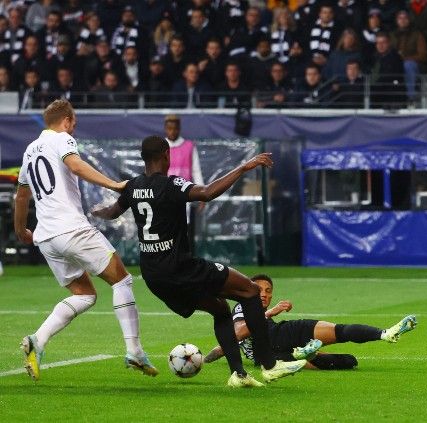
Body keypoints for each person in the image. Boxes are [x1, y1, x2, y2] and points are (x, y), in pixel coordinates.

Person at [91, 136, 307, 387]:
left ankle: (239, 375)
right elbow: (206, 193)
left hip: (154, 276)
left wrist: (88, 213)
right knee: (250, 291)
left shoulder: (132, 186)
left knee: (221, 309)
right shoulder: (171, 185)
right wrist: (242, 167)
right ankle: (270, 365)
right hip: (181, 268)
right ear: (166, 155)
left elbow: (111, 213)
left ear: (142, 157)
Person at [14, 99, 157, 381]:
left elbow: (21, 195)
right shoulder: (63, 140)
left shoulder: (29, 151)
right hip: (72, 229)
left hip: (46, 238)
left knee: (85, 294)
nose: (74, 128)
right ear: (66, 121)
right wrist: (115, 184)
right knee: (122, 280)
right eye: (74, 123)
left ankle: (37, 340)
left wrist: (21, 231)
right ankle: (134, 350)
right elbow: (76, 165)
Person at [202, 274, 418, 369]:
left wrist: (204, 359)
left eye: (269, 291)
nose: (264, 294)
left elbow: (223, 347)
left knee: (348, 357)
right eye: (259, 289)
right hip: (268, 350)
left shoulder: (266, 312)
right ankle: (300, 354)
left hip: (283, 333)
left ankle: (386, 333)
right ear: (248, 288)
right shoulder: (241, 306)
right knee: (320, 361)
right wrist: (202, 360)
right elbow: (238, 333)